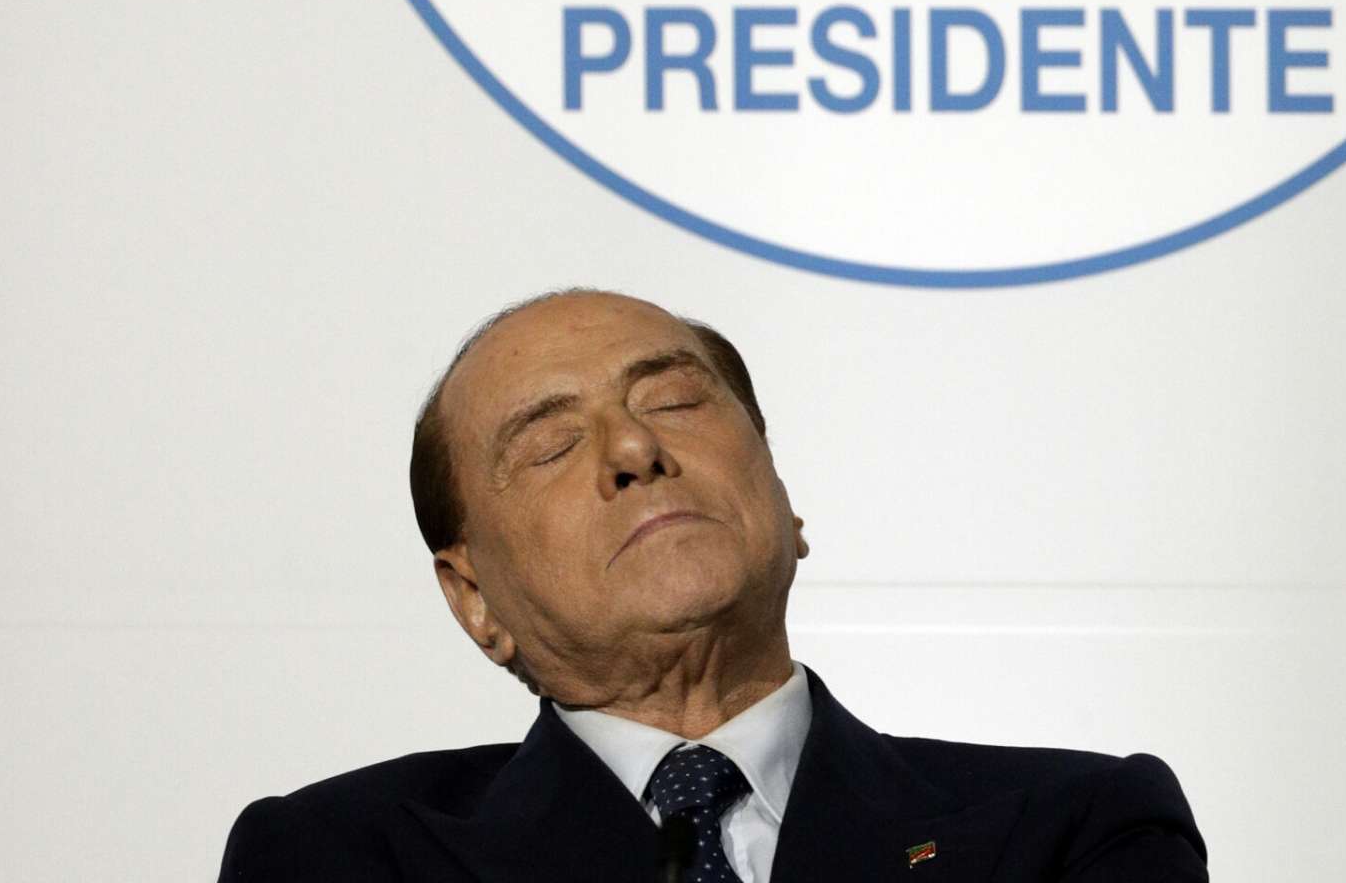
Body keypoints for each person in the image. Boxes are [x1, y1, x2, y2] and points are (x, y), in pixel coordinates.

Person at [218, 289, 1207, 881]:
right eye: (552, 444)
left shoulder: (1074, 826)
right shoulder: (339, 856)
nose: (634, 448)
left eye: (676, 400)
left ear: (785, 500)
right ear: (474, 598)